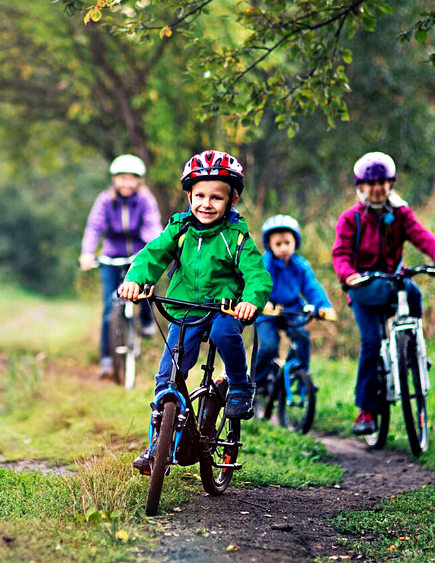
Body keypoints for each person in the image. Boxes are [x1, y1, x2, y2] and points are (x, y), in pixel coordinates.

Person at [118, 150, 272, 473]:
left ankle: (240, 385)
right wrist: (135, 279)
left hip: (223, 308)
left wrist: (250, 302)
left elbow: (257, 274)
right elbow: (153, 255)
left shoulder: (236, 236)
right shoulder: (181, 230)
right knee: (168, 376)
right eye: (200, 195)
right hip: (184, 309)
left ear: (232, 201)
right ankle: (155, 447)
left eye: (217, 197)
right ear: (189, 195)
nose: (206, 203)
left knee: (223, 333)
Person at [331, 152, 435, 435]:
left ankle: (414, 351)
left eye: (383, 182)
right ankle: (365, 411)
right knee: (372, 342)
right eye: (371, 183)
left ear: (391, 184)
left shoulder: (400, 213)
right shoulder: (351, 218)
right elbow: (340, 253)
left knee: (414, 294)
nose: (377, 188)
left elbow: (421, 235)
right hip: (363, 287)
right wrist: (348, 274)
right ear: (360, 186)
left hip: (394, 281)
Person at [79, 154, 163, 379]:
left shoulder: (145, 200)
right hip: (111, 257)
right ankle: (106, 360)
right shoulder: (105, 200)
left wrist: (154, 249)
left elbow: (153, 226)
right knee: (110, 307)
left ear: (139, 181)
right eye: (122, 178)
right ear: (114, 180)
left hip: (138, 255)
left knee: (145, 290)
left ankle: (146, 320)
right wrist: (87, 253)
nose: (126, 183)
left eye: (131, 179)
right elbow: (93, 227)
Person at [254, 215, 335, 390]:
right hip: (267, 310)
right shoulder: (265, 264)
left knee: (302, 336)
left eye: (287, 243)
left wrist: (323, 306)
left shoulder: (300, 265)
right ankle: (257, 383)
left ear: (295, 243)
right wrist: (262, 302)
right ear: (269, 245)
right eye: (278, 244)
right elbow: (257, 285)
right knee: (269, 346)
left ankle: (300, 375)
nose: (283, 248)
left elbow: (312, 287)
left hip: (292, 309)